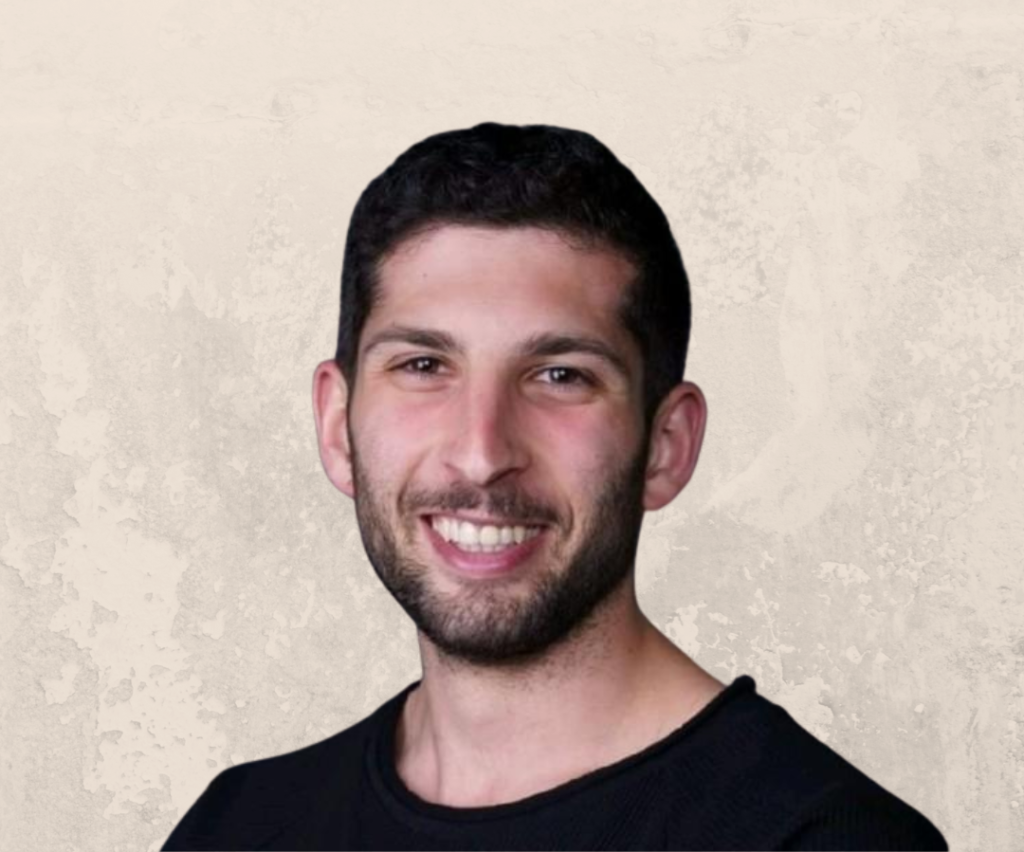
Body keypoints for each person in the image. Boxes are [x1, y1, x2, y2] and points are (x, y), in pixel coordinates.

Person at [163, 123, 947, 851]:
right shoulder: (240, 828)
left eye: (560, 376)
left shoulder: (822, 840)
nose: (480, 455)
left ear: (665, 447)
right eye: (424, 366)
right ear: (338, 426)